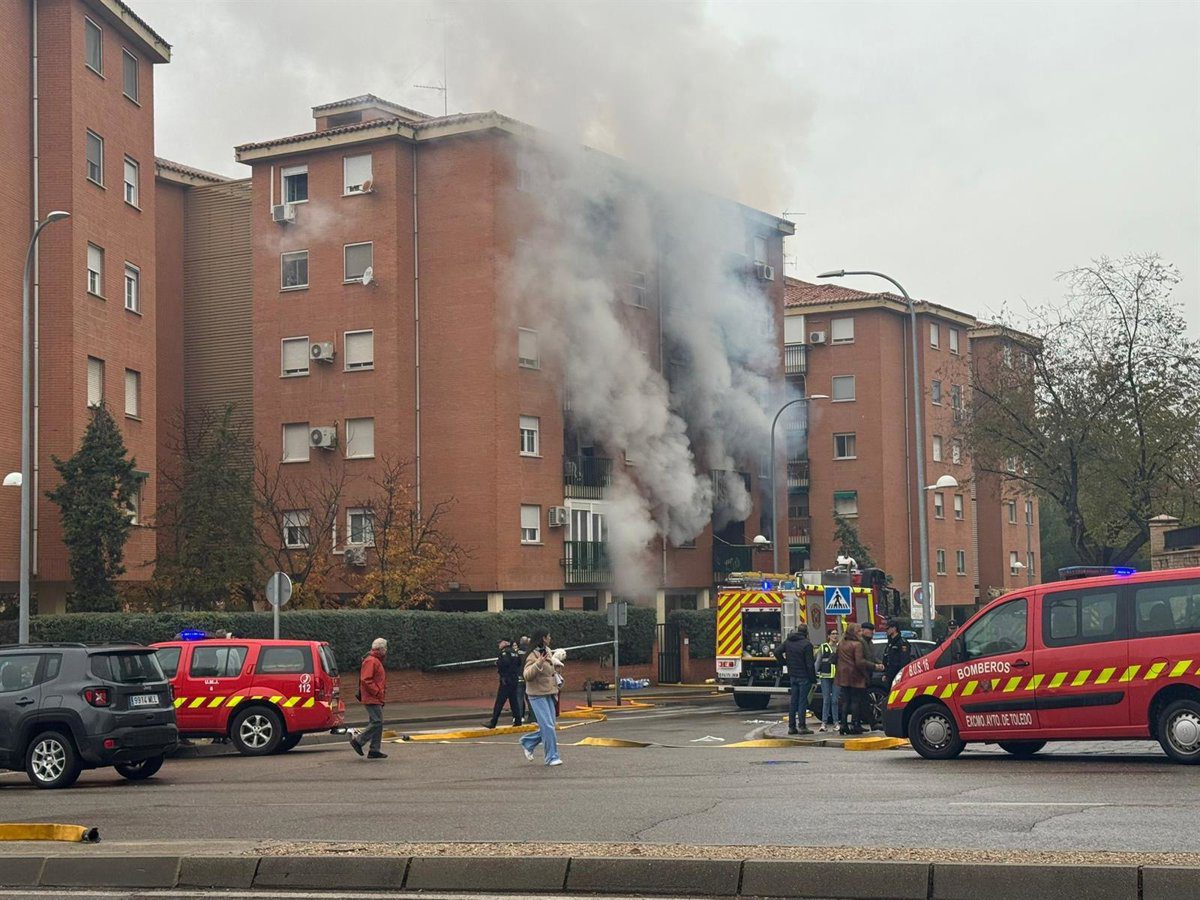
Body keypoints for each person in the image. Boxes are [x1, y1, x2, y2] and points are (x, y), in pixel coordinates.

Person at [519, 630, 563, 767]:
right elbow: (527, 675)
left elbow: (550, 672)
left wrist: (557, 673)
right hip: (536, 695)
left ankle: (527, 742)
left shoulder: (548, 650)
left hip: (549, 693)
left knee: (550, 726)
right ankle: (551, 757)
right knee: (548, 726)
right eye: (548, 636)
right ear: (543, 638)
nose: (550, 638)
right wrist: (538, 663)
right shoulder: (532, 654)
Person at [350, 637, 388, 759]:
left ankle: (374, 750)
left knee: (377, 722)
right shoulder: (372, 661)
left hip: (374, 696)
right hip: (372, 697)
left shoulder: (374, 660)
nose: (386, 651)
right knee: (377, 721)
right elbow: (366, 679)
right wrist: (377, 692)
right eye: (385, 648)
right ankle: (359, 741)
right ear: (381, 649)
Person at [774, 625, 816, 735]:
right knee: (802, 702)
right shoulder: (807, 644)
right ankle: (802, 726)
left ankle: (791, 727)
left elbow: (777, 652)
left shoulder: (788, 641)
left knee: (793, 701)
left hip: (792, 675)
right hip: (804, 676)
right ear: (806, 632)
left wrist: (784, 662)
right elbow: (810, 665)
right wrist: (813, 679)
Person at [835, 622, 873, 735]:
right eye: (859, 631)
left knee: (846, 701)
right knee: (855, 701)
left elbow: (836, 658)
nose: (861, 633)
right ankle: (855, 724)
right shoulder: (857, 645)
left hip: (843, 676)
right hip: (855, 675)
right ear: (854, 632)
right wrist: (873, 668)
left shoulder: (841, 643)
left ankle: (843, 725)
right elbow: (860, 662)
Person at [485, 639, 523, 729]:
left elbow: (504, 663)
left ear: (505, 643)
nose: (499, 644)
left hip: (506, 680)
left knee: (499, 702)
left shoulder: (504, 653)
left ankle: (493, 722)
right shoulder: (515, 652)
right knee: (514, 701)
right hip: (514, 679)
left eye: (500, 642)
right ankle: (518, 721)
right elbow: (519, 663)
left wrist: (498, 663)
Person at [858, 620, 885, 730]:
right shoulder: (860, 643)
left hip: (867, 675)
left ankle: (866, 723)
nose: (873, 632)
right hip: (860, 675)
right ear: (863, 631)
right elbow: (862, 660)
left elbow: (872, 657)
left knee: (864, 700)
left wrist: (880, 663)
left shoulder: (870, 643)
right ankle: (871, 723)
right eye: (870, 630)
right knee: (862, 700)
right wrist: (875, 666)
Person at [814, 629, 840, 733]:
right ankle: (824, 723)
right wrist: (814, 675)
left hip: (837, 677)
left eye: (836, 634)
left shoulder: (839, 647)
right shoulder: (823, 647)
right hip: (825, 676)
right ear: (828, 636)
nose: (835, 636)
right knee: (826, 700)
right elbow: (818, 661)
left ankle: (836, 723)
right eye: (832, 634)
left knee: (835, 700)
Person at [883, 620, 913, 685]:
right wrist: (886, 674)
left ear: (894, 628)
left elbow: (904, 661)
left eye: (888, 628)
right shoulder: (890, 642)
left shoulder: (902, 642)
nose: (886, 631)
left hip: (898, 675)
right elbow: (887, 659)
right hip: (890, 674)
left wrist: (900, 675)